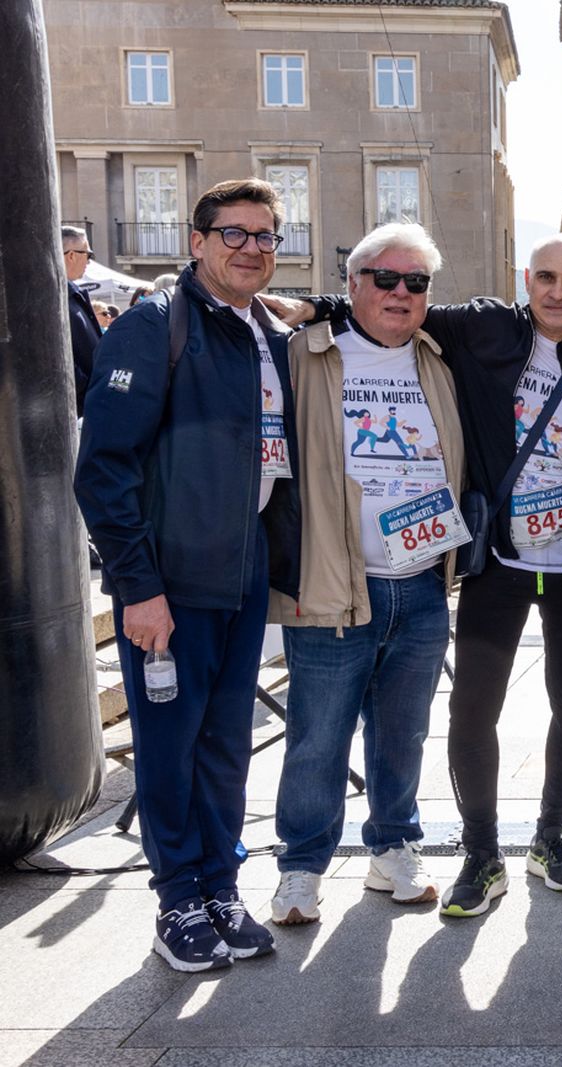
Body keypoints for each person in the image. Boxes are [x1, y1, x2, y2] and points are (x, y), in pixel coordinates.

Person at [271, 234, 562, 918]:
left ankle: (551, 837)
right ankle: (482, 852)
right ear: (525, 278)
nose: (557, 290)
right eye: (545, 276)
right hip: (499, 563)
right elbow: (390, 301)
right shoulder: (486, 326)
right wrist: (318, 302)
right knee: (470, 710)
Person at [75, 178, 296, 971]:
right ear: (197, 240)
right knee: (171, 747)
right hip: (170, 583)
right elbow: (103, 469)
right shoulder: (152, 326)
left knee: (226, 745)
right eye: (233, 233)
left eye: (266, 235)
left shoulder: (267, 331)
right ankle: (178, 899)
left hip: (241, 577)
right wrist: (138, 585)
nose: (251, 248)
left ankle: (219, 887)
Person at [266, 223, 464, 925]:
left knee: (403, 730)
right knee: (319, 735)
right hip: (330, 582)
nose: (401, 293)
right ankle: (300, 866)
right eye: (385, 278)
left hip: (420, 581)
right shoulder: (301, 356)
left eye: (416, 282)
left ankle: (393, 844)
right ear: (352, 285)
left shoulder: (441, 360)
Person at [63, 224, 101, 414]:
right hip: (77, 409)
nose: (89, 261)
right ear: (71, 255)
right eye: (88, 254)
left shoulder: (70, 296)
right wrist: (90, 392)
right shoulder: (58, 298)